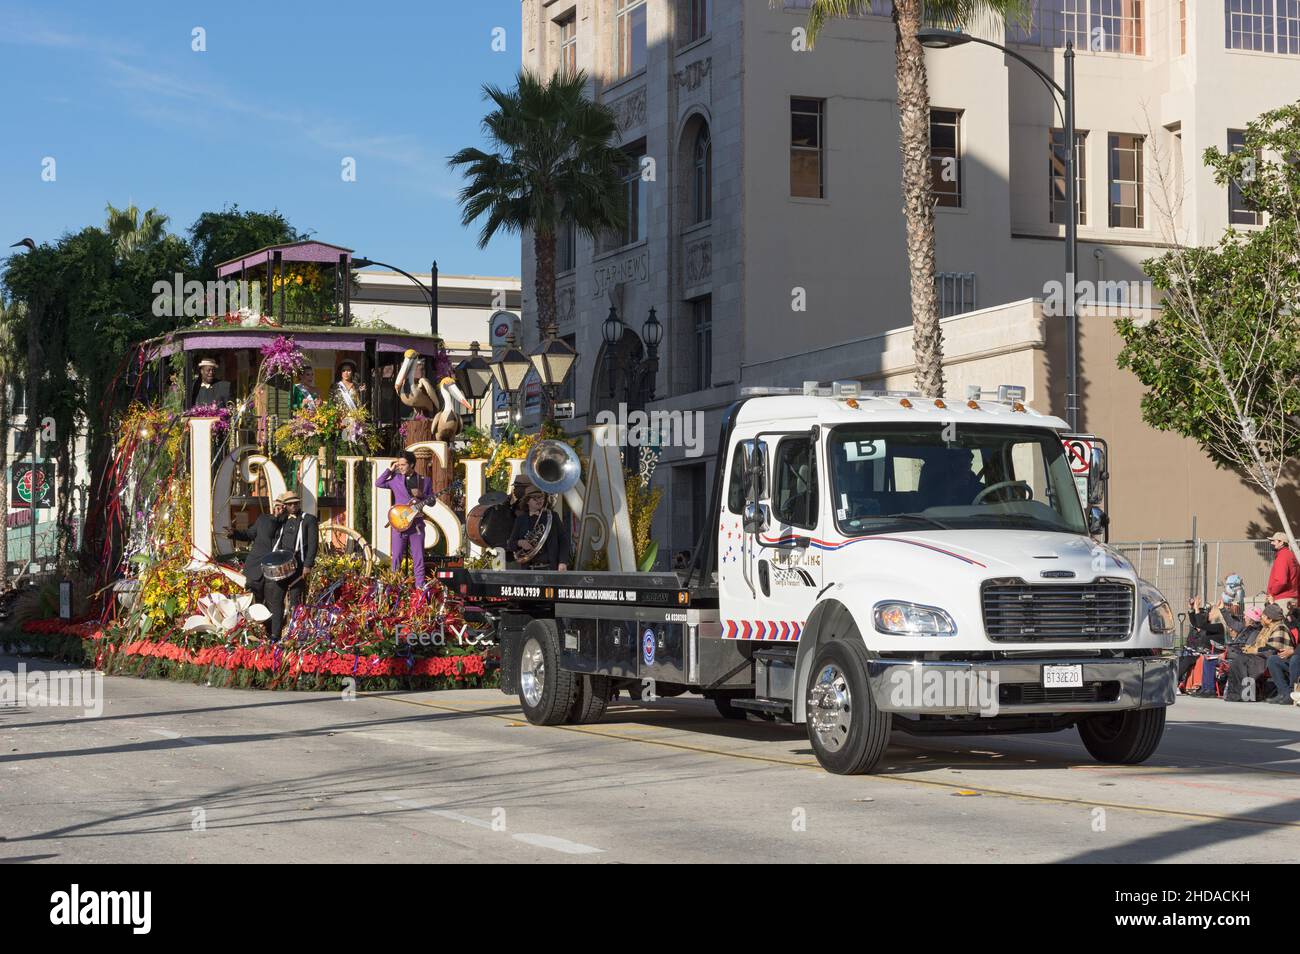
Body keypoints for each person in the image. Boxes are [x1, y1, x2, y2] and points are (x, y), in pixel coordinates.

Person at [227, 491, 317, 641]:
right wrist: (234, 533)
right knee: (272, 602)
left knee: (294, 602)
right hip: (269, 569)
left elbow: (313, 545)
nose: (292, 506)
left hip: (296, 568)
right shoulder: (273, 520)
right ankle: (272, 635)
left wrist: (308, 565)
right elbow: (252, 533)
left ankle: (294, 636)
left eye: (295, 503)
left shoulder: (307, 520)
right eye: (288, 504)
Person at [376, 451, 433, 587]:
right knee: (396, 557)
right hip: (399, 524)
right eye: (399, 464)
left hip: (416, 525)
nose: (400, 467)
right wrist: (389, 470)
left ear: (412, 464)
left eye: (403, 464)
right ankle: (394, 588)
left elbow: (432, 502)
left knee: (418, 558)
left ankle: (419, 590)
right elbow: (379, 483)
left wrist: (422, 495)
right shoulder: (395, 479)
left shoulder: (424, 480)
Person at [1224, 603, 1291, 701]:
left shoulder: (1280, 628)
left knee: (1242, 661)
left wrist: (1254, 650)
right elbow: (1258, 644)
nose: (1261, 618)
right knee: (1239, 659)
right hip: (1260, 657)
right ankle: (1236, 693)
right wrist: (1249, 648)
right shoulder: (1266, 628)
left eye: (1263, 616)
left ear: (1270, 619)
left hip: (1269, 659)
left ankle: (1245, 694)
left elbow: (1272, 649)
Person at [507, 480, 571, 571]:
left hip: (550, 568)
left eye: (541, 497)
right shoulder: (520, 520)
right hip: (529, 570)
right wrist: (520, 542)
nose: (539, 500)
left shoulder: (552, 516)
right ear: (527, 501)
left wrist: (563, 562)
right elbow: (510, 545)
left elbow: (564, 540)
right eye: (535, 498)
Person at [1265, 599, 1300, 705]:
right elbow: (1287, 621)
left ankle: (1294, 693)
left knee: (1295, 659)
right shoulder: (1294, 618)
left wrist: (1293, 651)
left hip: (1297, 656)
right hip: (1296, 654)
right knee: (1273, 660)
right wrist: (1273, 605)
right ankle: (1284, 693)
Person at [1266, 531, 1300, 603]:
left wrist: (1271, 593)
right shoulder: (1291, 555)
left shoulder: (1282, 556)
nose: (1271, 543)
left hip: (1282, 599)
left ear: (1281, 542)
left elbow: (1281, 581)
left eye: (1273, 541)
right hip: (1293, 598)